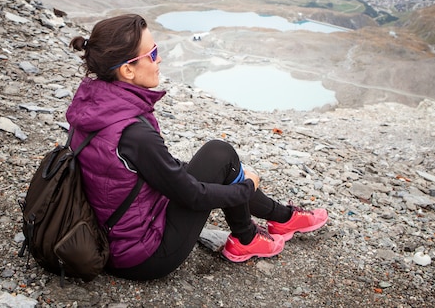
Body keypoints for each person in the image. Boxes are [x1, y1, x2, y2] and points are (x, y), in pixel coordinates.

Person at [66, 14, 328, 280]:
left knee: (217, 159)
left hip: (107, 236)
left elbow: (150, 171)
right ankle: (259, 231)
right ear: (128, 70)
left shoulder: (94, 107)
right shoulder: (134, 133)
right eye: (152, 53)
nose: (159, 60)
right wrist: (246, 187)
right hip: (142, 256)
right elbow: (192, 196)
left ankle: (278, 220)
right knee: (222, 156)